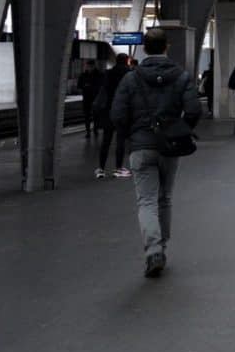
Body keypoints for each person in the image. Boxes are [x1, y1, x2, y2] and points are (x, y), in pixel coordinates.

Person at [107, 29, 200, 279]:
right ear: (166, 46)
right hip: (169, 147)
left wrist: (131, 136)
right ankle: (163, 247)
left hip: (140, 146)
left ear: (144, 48)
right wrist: (180, 130)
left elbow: (117, 115)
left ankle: (153, 250)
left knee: (146, 201)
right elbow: (194, 109)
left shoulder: (130, 79)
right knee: (164, 199)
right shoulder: (180, 76)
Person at [95, 55, 133, 179]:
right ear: (127, 61)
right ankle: (118, 168)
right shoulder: (129, 74)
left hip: (108, 110)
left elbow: (103, 89)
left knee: (106, 139)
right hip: (122, 110)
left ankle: (101, 169)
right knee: (120, 140)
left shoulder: (109, 73)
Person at [76, 63, 102, 142]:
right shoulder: (83, 75)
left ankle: (95, 129)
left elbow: (102, 85)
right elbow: (79, 85)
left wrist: (88, 86)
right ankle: (88, 131)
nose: (88, 68)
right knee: (87, 115)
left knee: (95, 115)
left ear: (94, 66)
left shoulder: (99, 75)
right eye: (87, 66)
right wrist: (85, 86)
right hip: (87, 98)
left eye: (90, 66)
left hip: (95, 98)